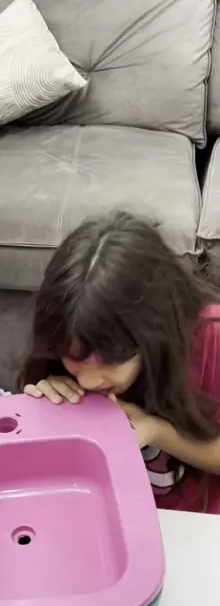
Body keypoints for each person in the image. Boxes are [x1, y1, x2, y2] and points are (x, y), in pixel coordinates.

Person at [21, 212, 220, 513]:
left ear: (153, 332)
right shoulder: (63, 345)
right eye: (72, 357)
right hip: (105, 514)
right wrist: (48, 412)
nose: (88, 381)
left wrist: (158, 432)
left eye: (108, 359)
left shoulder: (209, 339)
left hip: (196, 522)